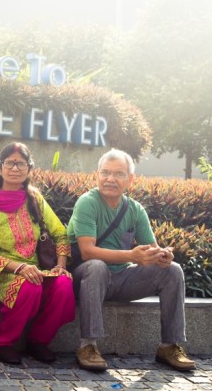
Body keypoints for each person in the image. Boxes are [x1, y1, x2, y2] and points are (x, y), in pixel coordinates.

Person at [67, 148, 195, 372]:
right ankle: (88, 346)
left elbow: (152, 249)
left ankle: (169, 346)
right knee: (96, 266)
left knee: (173, 270)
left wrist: (163, 256)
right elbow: (87, 252)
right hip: (86, 278)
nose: (110, 179)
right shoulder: (87, 202)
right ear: (97, 175)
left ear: (130, 179)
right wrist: (132, 256)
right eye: (105, 172)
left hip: (122, 278)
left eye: (118, 174)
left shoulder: (135, 209)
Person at [0, 142, 75, 365]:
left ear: (29, 169)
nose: (15, 168)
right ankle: (2, 343)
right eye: (9, 163)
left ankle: (38, 341)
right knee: (29, 285)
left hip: (33, 268)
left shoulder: (34, 198)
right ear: (0, 167)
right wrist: (19, 268)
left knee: (63, 284)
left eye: (21, 164)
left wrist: (60, 266)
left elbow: (60, 233)